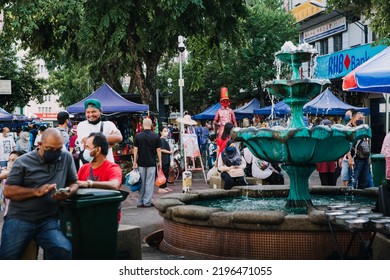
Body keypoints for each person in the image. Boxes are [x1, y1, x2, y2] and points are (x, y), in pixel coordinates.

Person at [0, 128, 78, 260]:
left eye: (58, 149)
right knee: (8, 257)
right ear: (39, 144)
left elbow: (74, 182)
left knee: (63, 249)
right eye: (50, 148)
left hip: (47, 219)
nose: (54, 153)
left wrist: (69, 192)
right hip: (20, 218)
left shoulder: (65, 157)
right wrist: (36, 191)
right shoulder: (23, 161)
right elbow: (8, 191)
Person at [77, 98, 123, 164]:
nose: (90, 115)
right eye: (88, 112)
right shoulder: (82, 125)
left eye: (93, 112)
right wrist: (109, 141)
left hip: (107, 165)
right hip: (89, 167)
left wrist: (97, 141)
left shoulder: (109, 124)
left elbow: (119, 138)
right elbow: (88, 141)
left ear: (100, 111)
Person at [132, 118, 162, 207]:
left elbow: (135, 150)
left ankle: (140, 201)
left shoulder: (138, 136)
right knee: (149, 182)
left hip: (141, 162)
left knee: (141, 182)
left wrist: (134, 161)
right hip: (151, 162)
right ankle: (147, 201)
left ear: (142, 125)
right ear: (152, 125)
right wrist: (160, 161)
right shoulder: (156, 136)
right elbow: (159, 149)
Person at [158, 127, 173, 193]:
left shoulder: (165, 140)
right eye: (164, 131)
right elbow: (161, 149)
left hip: (166, 159)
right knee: (163, 173)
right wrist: (170, 152)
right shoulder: (161, 140)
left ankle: (165, 186)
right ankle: (161, 187)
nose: (166, 132)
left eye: (167, 131)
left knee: (166, 172)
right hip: (164, 159)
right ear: (161, 132)